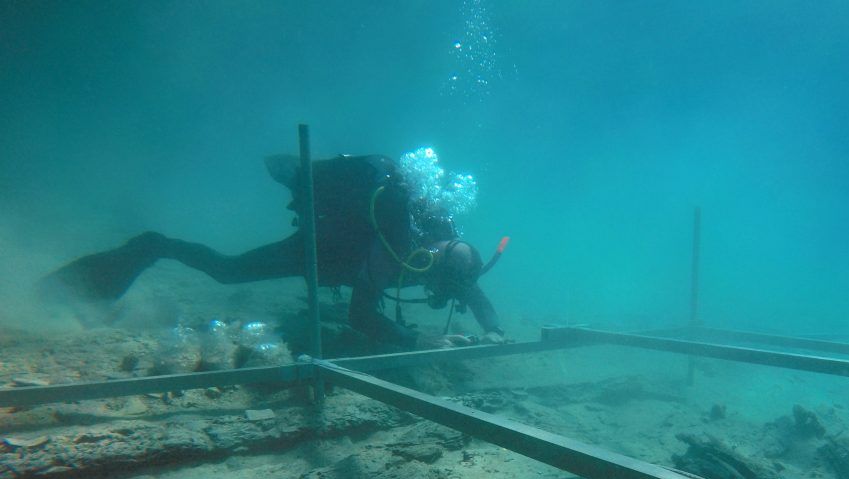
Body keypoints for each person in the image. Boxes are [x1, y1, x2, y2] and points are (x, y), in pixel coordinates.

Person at [40, 151, 508, 352]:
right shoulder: (401, 249)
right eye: (441, 285)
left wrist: (494, 331)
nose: (440, 294)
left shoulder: (446, 253)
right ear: (436, 261)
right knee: (228, 272)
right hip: (319, 252)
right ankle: (153, 246)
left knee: (229, 271)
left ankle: (145, 252)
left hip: (341, 259)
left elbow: (473, 292)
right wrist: (418, 341)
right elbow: (360, 316)